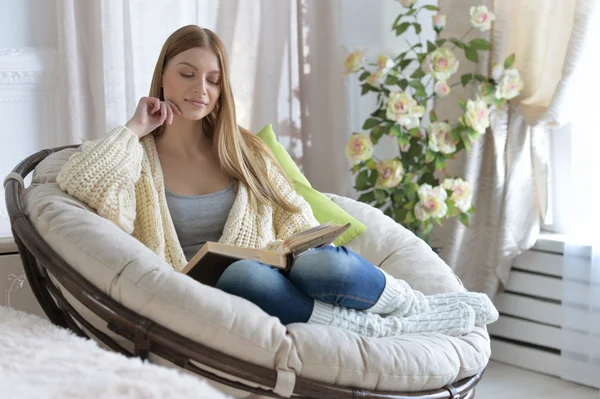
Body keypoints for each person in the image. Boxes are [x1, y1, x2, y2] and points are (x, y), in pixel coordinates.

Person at [56, 25, 498, 338]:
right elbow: (80, 181)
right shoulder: (135, 154)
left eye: (213, 80)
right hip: (209, 293)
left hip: (275, 275)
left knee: (322, 261)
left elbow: (295, 216)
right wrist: (134, 127)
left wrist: (298, 250)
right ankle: (370, 326)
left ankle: (417, 308)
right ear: (164, 75)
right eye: (187, 74)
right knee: (244, 275)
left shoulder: (244, 149)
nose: (200, 89)